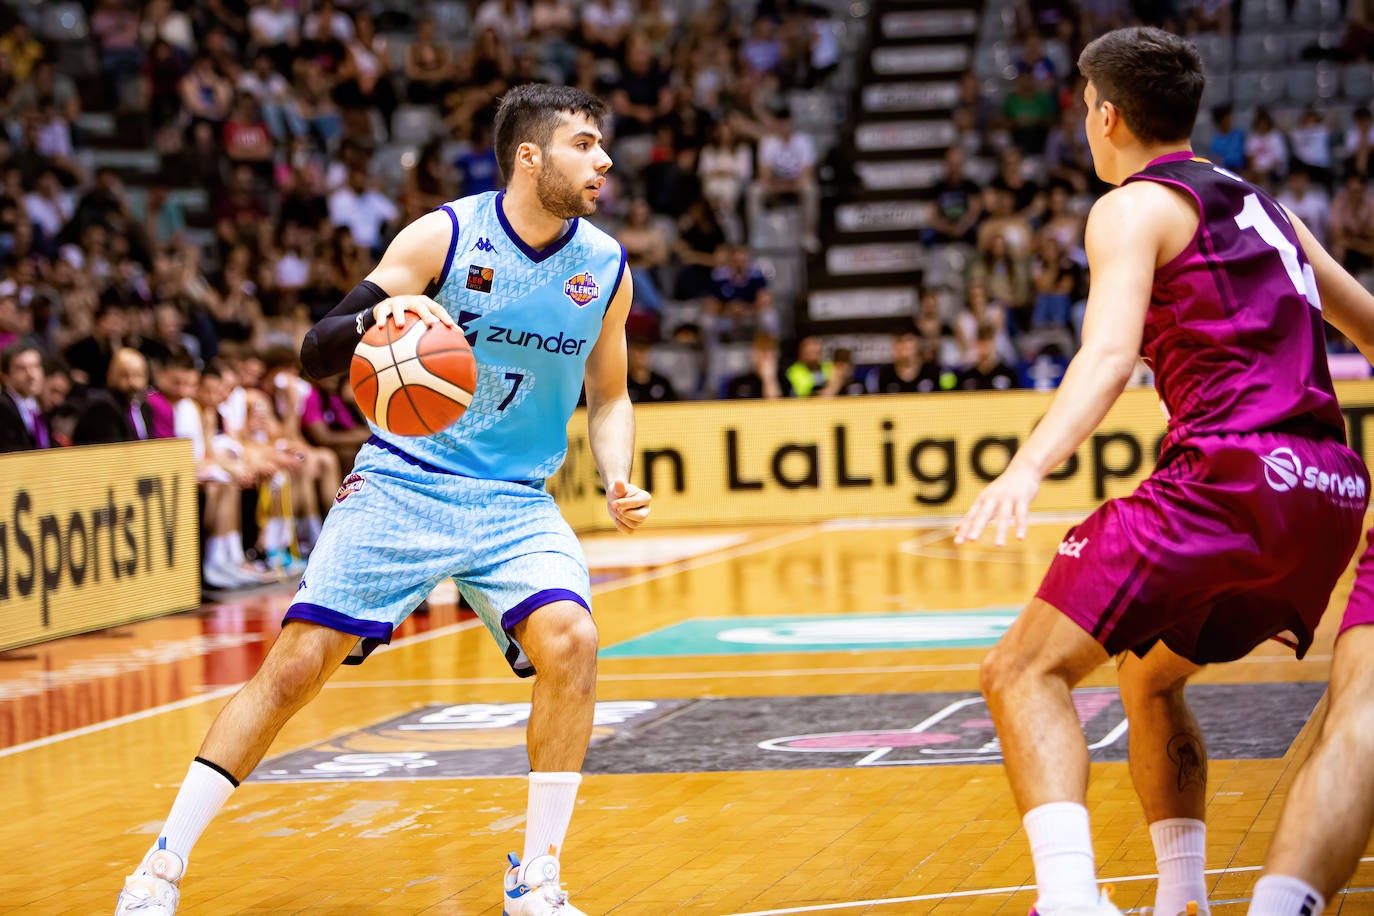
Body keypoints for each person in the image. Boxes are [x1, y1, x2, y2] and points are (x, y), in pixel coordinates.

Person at [113, 83, 652, 916]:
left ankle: (537, 878)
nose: (604, 159)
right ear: (530, 156)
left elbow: (609, 394)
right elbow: (312, 352)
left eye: (603, 144)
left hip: (514, 502)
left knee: (573, 641)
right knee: (295, 667)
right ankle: (161, 862)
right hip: (403, 481)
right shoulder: (444, 234)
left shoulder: (606, 267)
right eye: (586, 143)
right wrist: (381, 319)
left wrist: (616, 473)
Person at [954, 28, 1370, 916]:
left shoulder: (1131, 207)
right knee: (1147, 673)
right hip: (1331, 492)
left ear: (1104, 115)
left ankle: (1068, 903)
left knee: (1018, 672)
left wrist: (1028, 465)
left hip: (1232, 475)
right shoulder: (1268, 208)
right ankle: (1183, 899)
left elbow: (1107, 356)